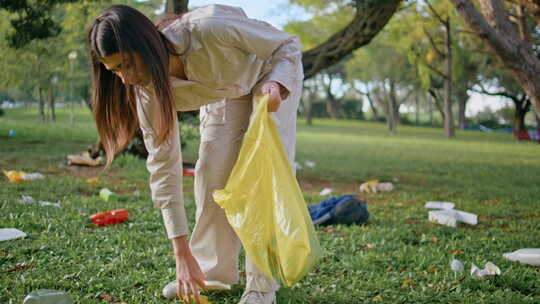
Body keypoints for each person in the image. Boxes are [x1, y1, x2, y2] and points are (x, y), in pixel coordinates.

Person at [87, 4, 303, 304]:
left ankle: (261, 287)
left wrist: (277, 82)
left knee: (260, 180)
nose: (125, 78)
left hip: (267, 81)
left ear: (144, 44)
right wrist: (181, 253)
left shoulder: (210, 28)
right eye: (115, 71)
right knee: (211, 178)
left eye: (125, 64)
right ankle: (211, 273)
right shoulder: (146, 91)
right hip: (224, 94)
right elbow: (163, 167)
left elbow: (287, 44)